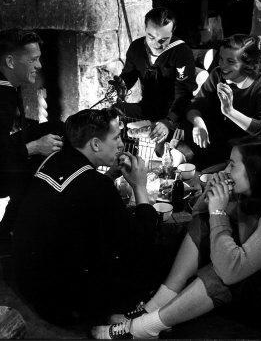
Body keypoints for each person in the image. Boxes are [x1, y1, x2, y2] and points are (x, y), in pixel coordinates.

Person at [92, 137, 261, 339]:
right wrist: (212, 196)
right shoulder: (253, 193)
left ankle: (144, 328)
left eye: (233, 165)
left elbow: (231, 270)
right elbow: (198, 214)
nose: (226, 171)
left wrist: (218, 210)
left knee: (221, 273)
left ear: (256, 171)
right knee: (205, 224)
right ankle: (155, 307)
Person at [13, 108, 158, 325]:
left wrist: (109, 177)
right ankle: (114, 315)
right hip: (62, 305)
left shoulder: (53, 159)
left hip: (29, 282)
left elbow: (81, 203)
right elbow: (139, 240)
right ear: (96, 144)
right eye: (116, 137)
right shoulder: (95, 185)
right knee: (148, 252)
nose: (121, 144)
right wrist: (140, 187)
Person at [0, 30, 63, 244]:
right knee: (35, 170)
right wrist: (35, 147)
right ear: (10, 61)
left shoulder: (7, 86)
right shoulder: (3, 98)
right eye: (33, 60)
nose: (39, 66)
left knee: (54, 127)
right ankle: (11, 234)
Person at [186, 34, 261, 169]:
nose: (222, 65)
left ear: (247, 64)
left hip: (243, 152)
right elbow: (196, 104)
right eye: (221, 59)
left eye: (230, 62)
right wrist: (198, 122)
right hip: (214, 143)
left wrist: (229, 111)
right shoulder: (217, 75)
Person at [116, 7, 196, 146]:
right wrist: (119, 86)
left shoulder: (182, 52)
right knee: (115, 113)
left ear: (173, 32)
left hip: (174, 112)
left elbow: (184, 94)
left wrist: (169, 120)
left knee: (170, 147)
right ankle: (127, 159)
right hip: (147, 107)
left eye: (164, 39)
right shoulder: (136, 47)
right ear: (145, 29)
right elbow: (128, 75)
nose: (157, 44)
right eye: (151, 37)